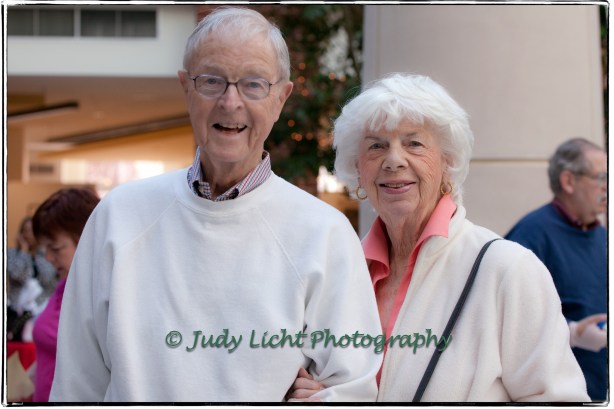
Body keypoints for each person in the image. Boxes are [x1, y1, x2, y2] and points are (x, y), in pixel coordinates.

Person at [49, 7, 381, 402]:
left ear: (281, 98)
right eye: (211, 81)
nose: (230, 101)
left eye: (254, 84)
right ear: (185, 88)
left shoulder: (324, 232)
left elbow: (353, 387)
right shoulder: (118, 216)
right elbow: (76, 381)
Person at [288, 73, 590, 402]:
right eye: (376, 146)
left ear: (447, 161)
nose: (394, 160)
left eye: (414, 144)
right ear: (358, 169)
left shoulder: (507, 270)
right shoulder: (340, 274)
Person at [505, 138, 607, 401]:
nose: (608, 186)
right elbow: (508, 320)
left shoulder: (601, 235)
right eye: (601, 177)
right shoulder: (530, 236)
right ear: (569, 181)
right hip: (560, 394)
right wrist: (573, 333)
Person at [30, 188, 101, 402]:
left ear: (85, 240)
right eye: (45, 249)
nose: (48, 258)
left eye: (56, 248)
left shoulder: (100, 296)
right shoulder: (64, 286)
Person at [7, 217, 58, 341]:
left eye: (32, 231)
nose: (28, 235)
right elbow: (18, 275)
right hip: (17, 312)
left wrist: (39, 252)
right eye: (25, 231)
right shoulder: (12, 254)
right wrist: (24, 253)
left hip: (39, 310)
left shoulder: (46, 256)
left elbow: (48, 278)